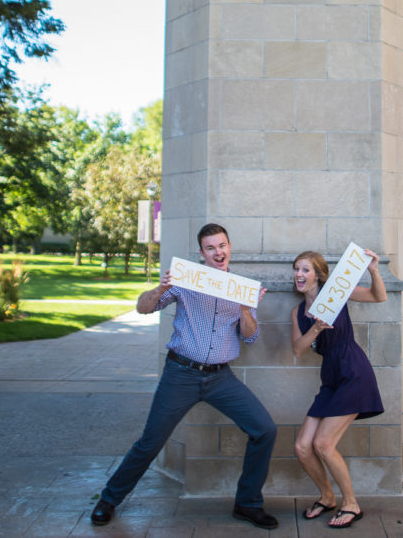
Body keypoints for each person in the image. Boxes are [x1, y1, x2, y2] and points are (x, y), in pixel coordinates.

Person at [90, 223, 278, 529]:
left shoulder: (242, 288)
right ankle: (108, 499)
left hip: (221, 379)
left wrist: (246, 309)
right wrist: (161, 288)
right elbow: (142, 308)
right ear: (202, 253)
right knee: (150, 443)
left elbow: (250, 338)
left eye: (222, 246)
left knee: (265, 429)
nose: (218, 252)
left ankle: (247, 503)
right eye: (211, 248)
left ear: (229, 247)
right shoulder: (187, 280)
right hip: (181, 374)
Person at [290, 249, 386, 529]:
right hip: (330, 378)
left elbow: (378, 297)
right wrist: (316, 329)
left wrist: (374, 270)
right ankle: (327, 497)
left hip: (353, 372)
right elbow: (297, 349)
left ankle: (351, 504)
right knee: (302, 447)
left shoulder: (337, 292)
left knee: (323, 444)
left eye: (305, 270)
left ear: (319, 275)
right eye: (296, 269)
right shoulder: (297, 312)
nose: (299, 274)